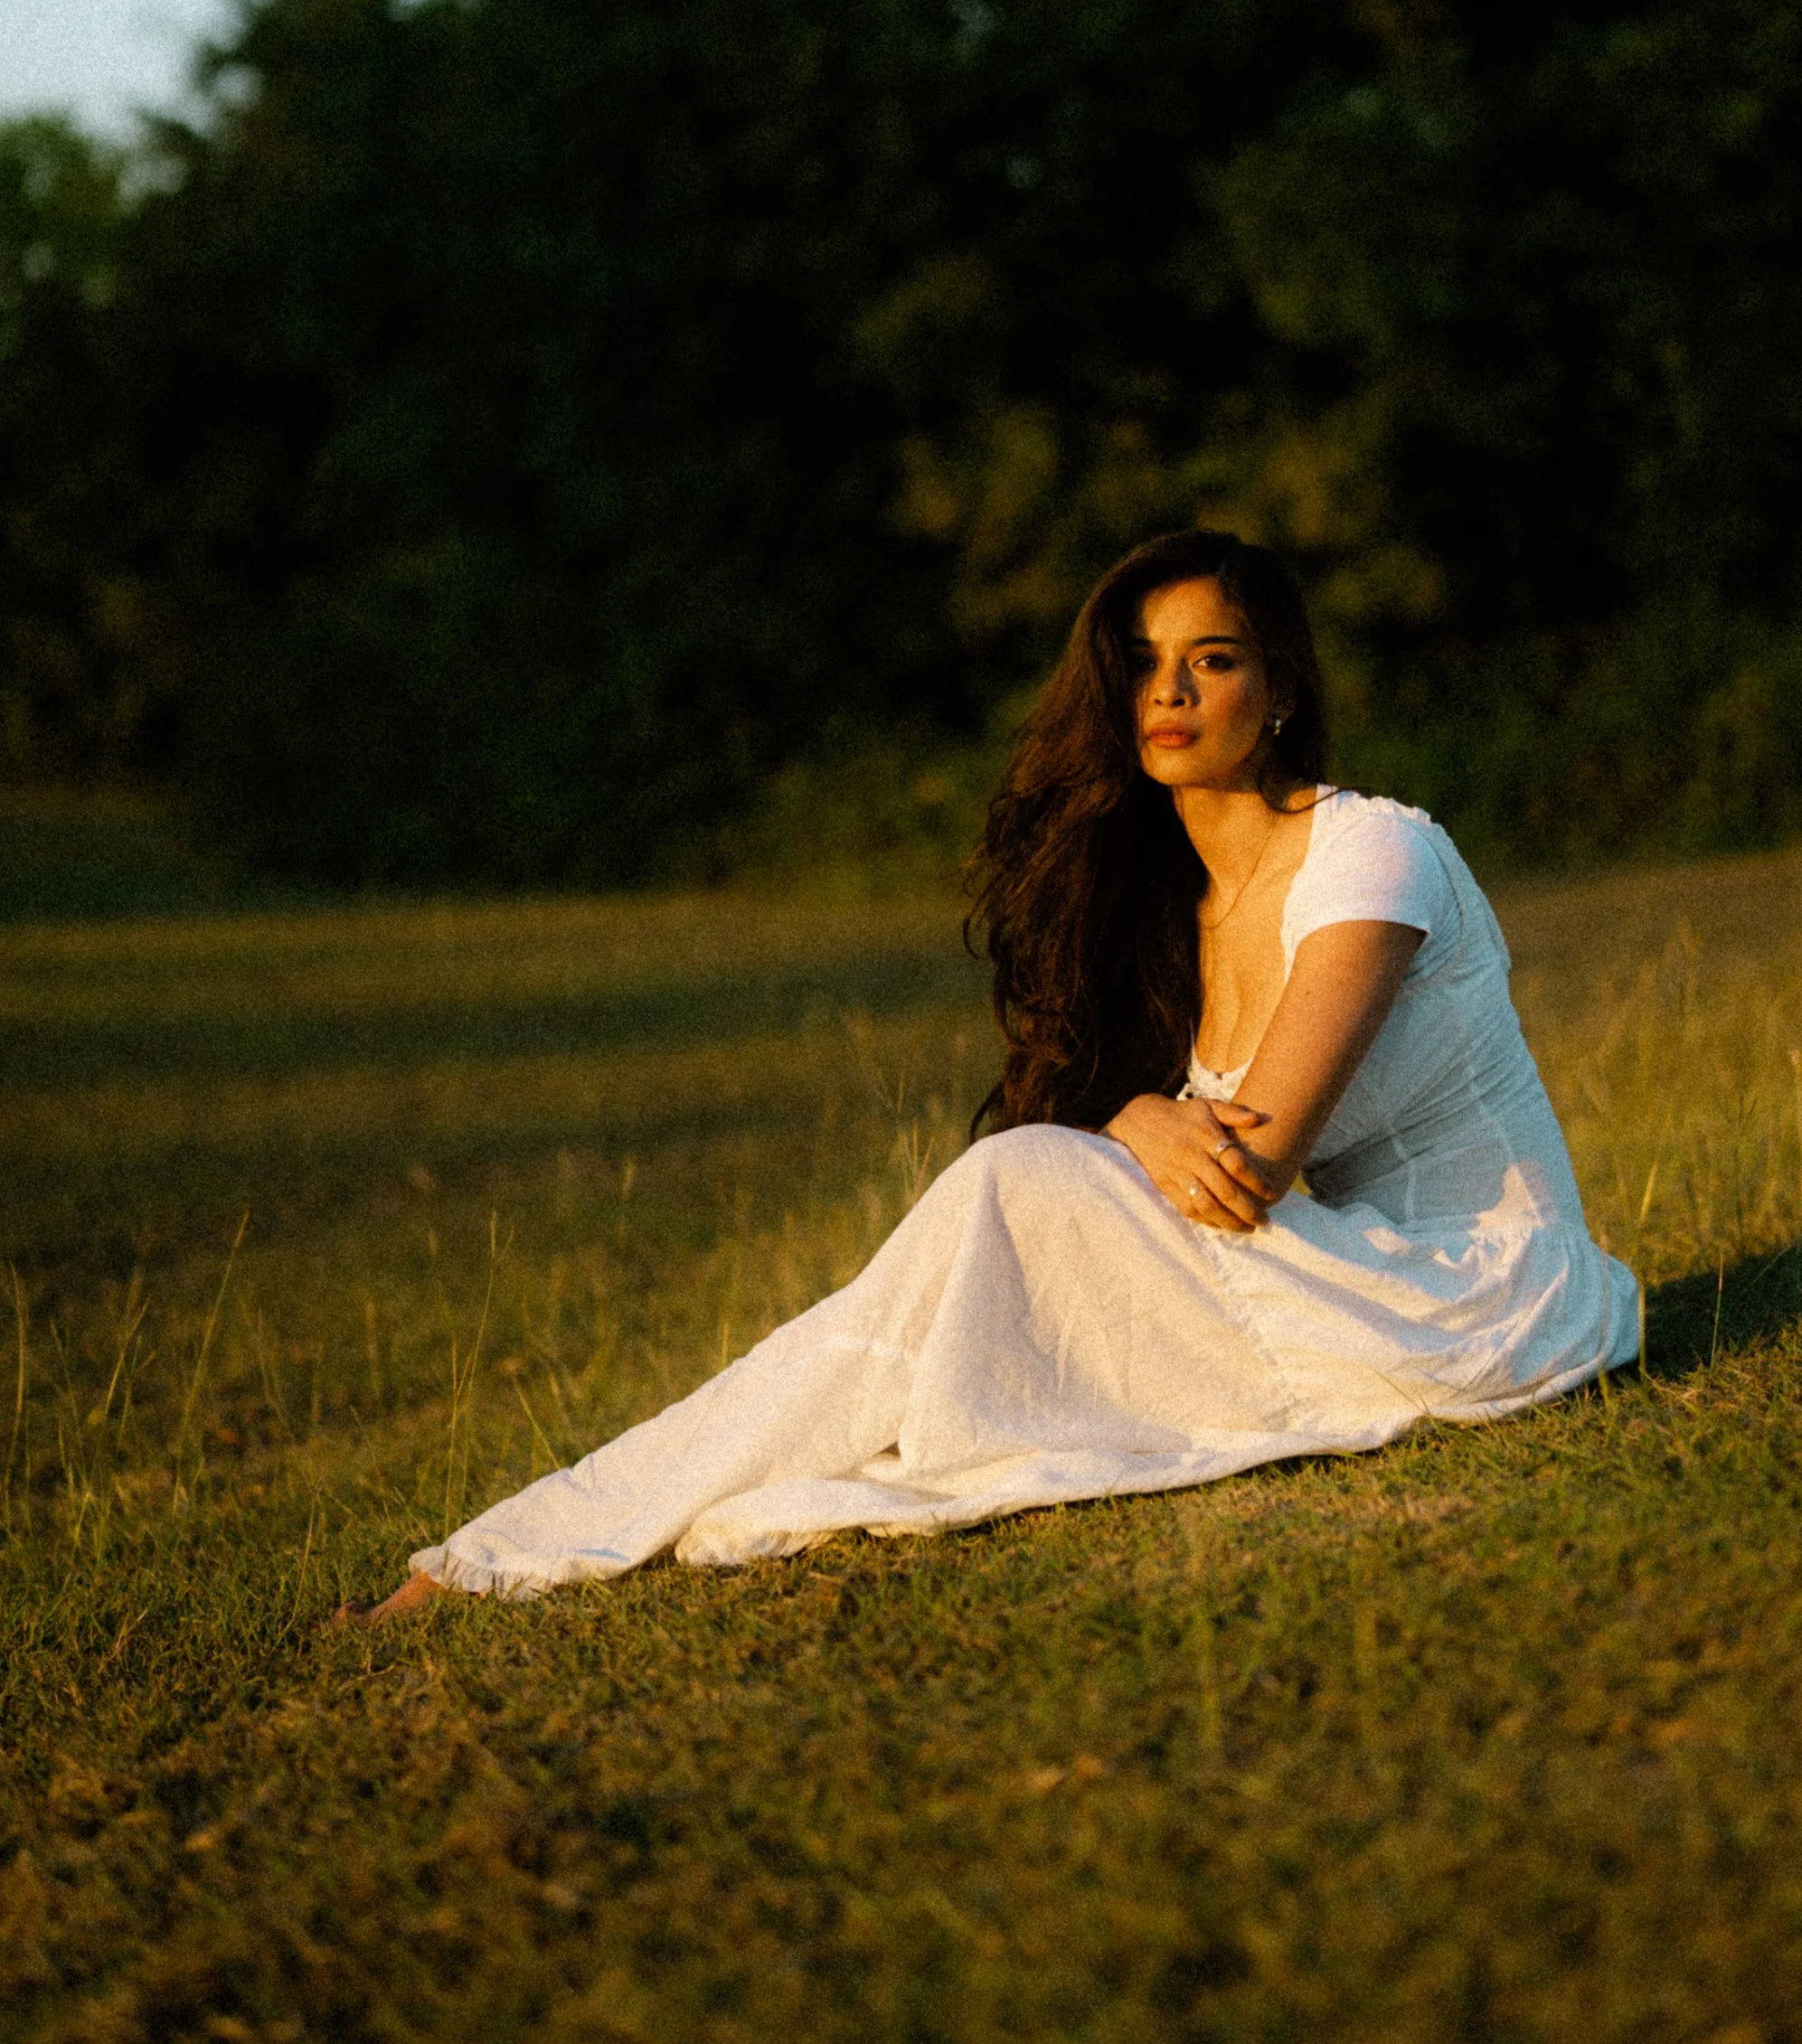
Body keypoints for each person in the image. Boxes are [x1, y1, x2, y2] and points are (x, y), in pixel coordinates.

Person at [349, 530, 1639, 1617]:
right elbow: (1181, 1156)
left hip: (1477, 1299)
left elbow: (1246, 1164)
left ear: (1283, 689)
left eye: (1213, 660)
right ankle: (524, 1540)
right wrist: (1135, 1112)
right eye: (1141, 667)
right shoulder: (1171, 915)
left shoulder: (1374, 856)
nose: (1171, 693)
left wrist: (1134, 1122)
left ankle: (515, 1551)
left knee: (1001, 1194)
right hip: (1344, 1280)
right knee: (963, 1257)